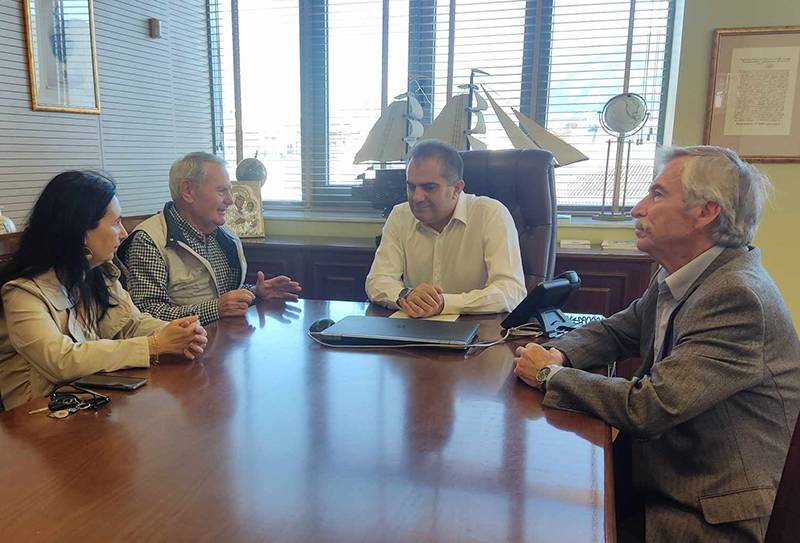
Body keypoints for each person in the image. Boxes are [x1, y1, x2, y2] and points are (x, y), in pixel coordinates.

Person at [513, 146, 800, 542]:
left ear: (706, 212)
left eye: (657, 194)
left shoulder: (736, 296)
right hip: (665, 478)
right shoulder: (683, 273)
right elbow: (617, 330)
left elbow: (650, 406)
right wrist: (560, 351)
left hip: (709, 512)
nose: (637, 209)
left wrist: (549, 374)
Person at [0, 171, 207, 411]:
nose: (124, 233)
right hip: (37, 419)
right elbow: (61, 361)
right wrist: (153, 345)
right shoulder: (21, 293)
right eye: (115, 222)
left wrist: (178, 332)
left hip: (89, 404)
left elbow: (132, 323)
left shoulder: (97, 272)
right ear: (81, 231)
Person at [118, 152, 301, 325]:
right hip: (184, 346)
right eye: (221, 191)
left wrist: (256, 292)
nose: (230, 200)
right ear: (188, 191)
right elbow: (146, 315)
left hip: (226, 339)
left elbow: (226, 294)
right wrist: (215, 309)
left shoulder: (225, 235)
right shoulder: (148, 241)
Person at [366, 139, 526, 317]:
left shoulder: (491, 214)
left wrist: (445, 303)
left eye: (429, 187)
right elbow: (377, 280)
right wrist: (406, 295)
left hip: (478, 327)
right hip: (415, 327)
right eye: (411, 186)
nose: (416, 197)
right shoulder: (400, 215)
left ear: (457, 188)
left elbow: (511, 291)